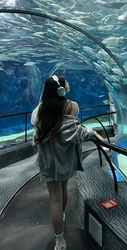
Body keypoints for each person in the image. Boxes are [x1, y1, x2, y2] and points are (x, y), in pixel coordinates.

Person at [31, 75, 103, 250]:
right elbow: (75, 132)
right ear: (61, 89)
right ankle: (61, 218)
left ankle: (59, 241)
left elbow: (38, 134)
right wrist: (93, 133)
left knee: (54, 199)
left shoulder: (40, 110)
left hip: (47, 160)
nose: (69, 84)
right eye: (66, 82)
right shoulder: (72, 106)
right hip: (64, 159)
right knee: (63, 191)